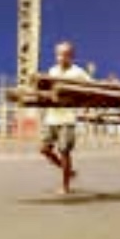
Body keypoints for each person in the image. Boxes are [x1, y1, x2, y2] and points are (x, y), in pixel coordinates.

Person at [40, 41, 92, 194]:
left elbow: (92, 90)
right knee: (44, 149)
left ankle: (65, 186)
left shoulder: (78, 72)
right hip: (51, 118)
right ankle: (69, 172)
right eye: (59, 54)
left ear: (72, 56)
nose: (62, 57)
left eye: (65, 54)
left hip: (68, 118)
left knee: (64, 152)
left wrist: (86, 108)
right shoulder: (52, 71)